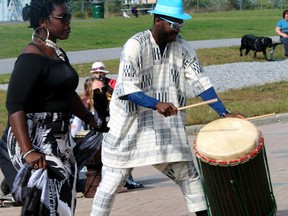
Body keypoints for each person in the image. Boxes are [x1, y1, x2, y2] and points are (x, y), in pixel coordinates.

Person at [90, 0, 244, 216]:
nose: (177, 29)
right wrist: (156, 104)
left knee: (189, 176)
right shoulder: (136, 44)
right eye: (174, 24)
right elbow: (125, 87)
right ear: (158, 20)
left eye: (180, 25)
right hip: (129, 128)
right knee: (111, 184)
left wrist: (223, 112)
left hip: (166, 128)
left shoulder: (181, 46)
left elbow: (200, 81)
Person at [5, 0, 99, 215]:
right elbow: (14, 104)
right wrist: (28, 151)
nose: (68, 23)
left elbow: (65, 93)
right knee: (46, 202)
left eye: (69, 17)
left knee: (63, 200)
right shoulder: (31, 56)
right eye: (63, 17)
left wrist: (89, 117)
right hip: (37, 137)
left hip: (59, 138)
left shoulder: (56, 52)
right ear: (42, 21)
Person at [71, 62, 144, 195]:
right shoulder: (85, 107)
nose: (101, 93)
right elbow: (74, 130)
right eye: (96, 91)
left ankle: (124, 180)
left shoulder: (110, 102)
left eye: (103, 90)